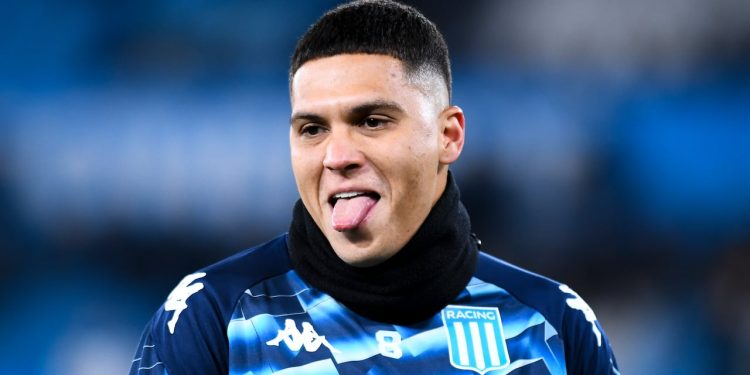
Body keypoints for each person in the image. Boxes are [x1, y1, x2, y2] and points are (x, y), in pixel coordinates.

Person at [130, 1, 620, 374]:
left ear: (448, 136)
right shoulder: (214, 316)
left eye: (371, 121)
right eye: (312, 129)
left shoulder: (549, 324)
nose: (337, 156)